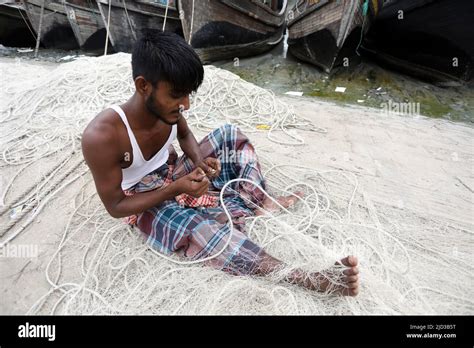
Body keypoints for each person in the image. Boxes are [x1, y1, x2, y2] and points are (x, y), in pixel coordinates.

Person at [82, 30, 359, 296]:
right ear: (143, 86)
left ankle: (259, 201)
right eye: (178, 95)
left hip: (170, 172)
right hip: (143, 200)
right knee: (201, 230)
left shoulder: (168, 107)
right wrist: (175, 189)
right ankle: (309, 279)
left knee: (229, 135)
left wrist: (200, 162)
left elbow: (185, 134)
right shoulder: (102, 136)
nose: (186, 105)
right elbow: (116, 206)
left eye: (189, 94)